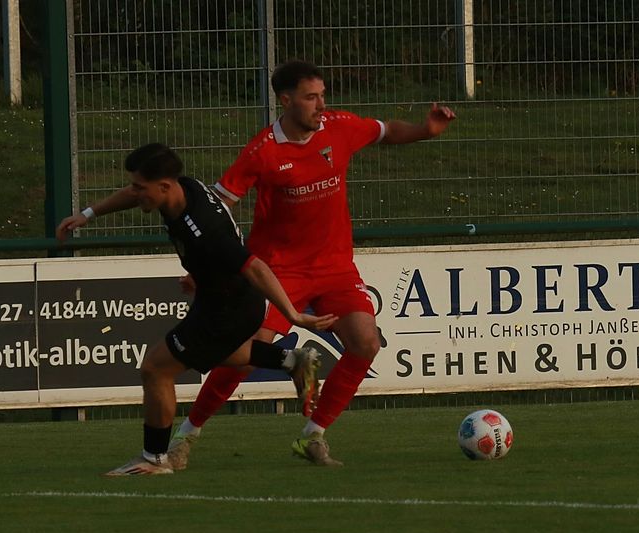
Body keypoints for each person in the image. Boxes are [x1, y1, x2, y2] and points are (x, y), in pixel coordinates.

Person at [168, 60, 457, 467]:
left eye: (322, 95)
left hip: (335, 267)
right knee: (247, 351)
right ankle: (186, 435)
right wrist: (205, 266)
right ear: (286, 101)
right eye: (311, 97)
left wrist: (425, 130)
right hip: (278, 271)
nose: (321, 105)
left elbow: (387, 131)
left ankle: (313, 435)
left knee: (366, 343)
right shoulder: (263, 151)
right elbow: (218, 206)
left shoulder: (339, 127)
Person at [56, 142, 337, 475]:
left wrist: (292, 314)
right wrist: (88, 215)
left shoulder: (204, 228)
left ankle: (154, 458)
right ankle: (291, 361)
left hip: (229, 308)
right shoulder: (180, 188)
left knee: (156, 369)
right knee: (218, 352)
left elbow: (255, 267)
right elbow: (135, 194)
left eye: (140, 187)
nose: (135, 193)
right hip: (217, 296)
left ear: (164, 186)